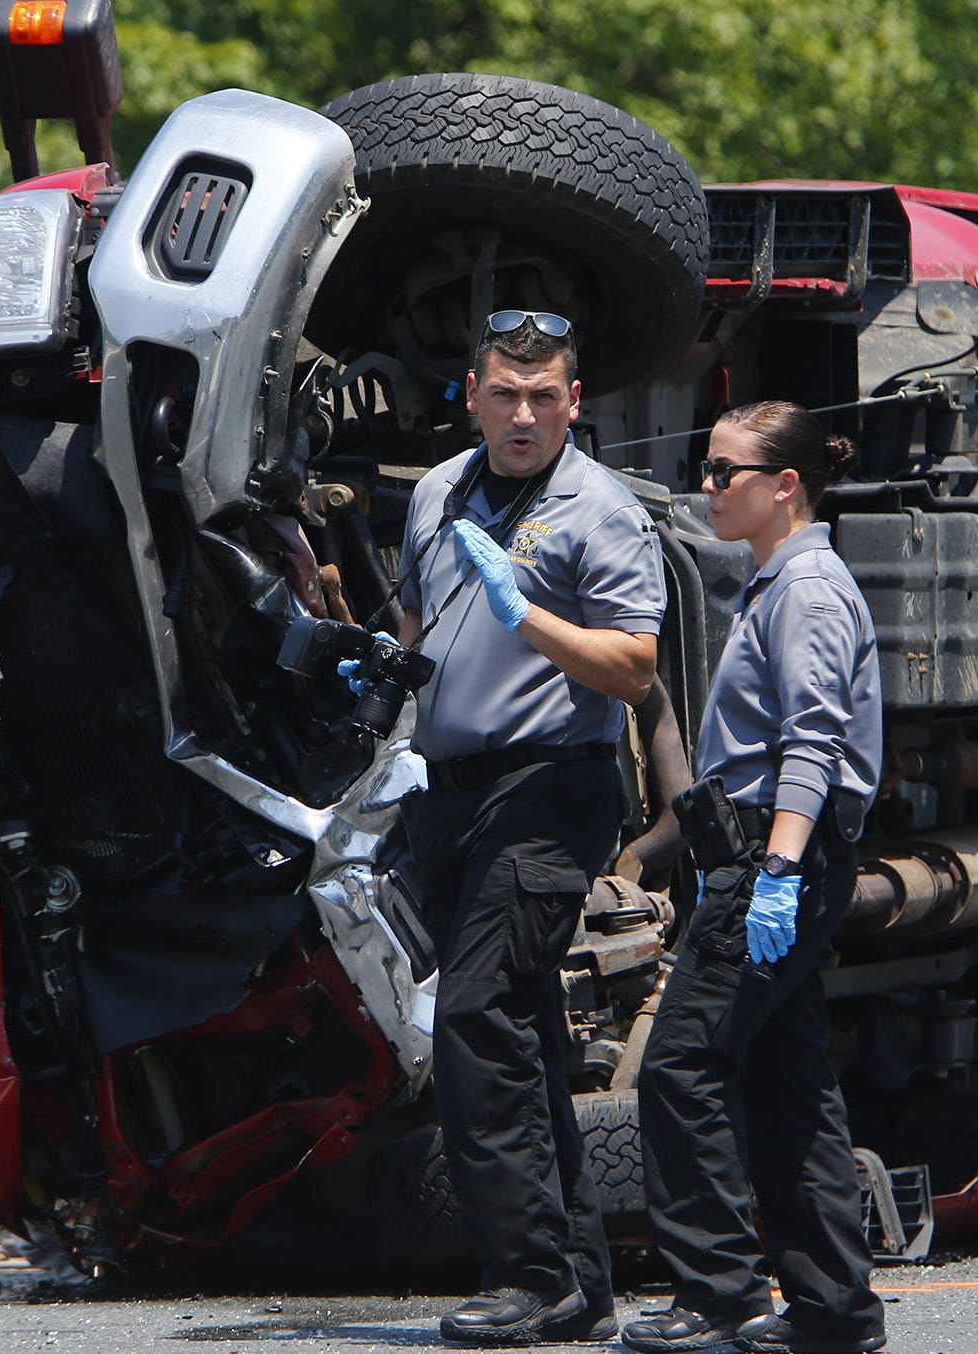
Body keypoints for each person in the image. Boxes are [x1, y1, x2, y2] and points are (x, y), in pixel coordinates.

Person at [395, 310, 665, 1345]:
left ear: (574, 403)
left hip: (552, 786)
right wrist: (371, 660)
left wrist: (527, 618)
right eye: (505, 395)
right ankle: (582, 1284)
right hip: (450, 790)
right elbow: (416, 628)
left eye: (543, 397)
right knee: (519, 1028)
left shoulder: (599, 509)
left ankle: (526, 1272)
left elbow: (635, 669)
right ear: (471, 394)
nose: (522, 415)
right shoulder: (435, 492)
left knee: (475, 1013)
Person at [627, 401, 889, 1354]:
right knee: (790, 1085)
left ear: (785, 487)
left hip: (772, 860)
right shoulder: (779, 580)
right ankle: (832, 1313)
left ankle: (718, 1295)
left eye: (723, 473)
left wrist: (775, 869)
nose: (706, 488)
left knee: (681, 1065)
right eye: (705, 468)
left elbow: (811, 745)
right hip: (767, 856)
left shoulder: (807, 590)